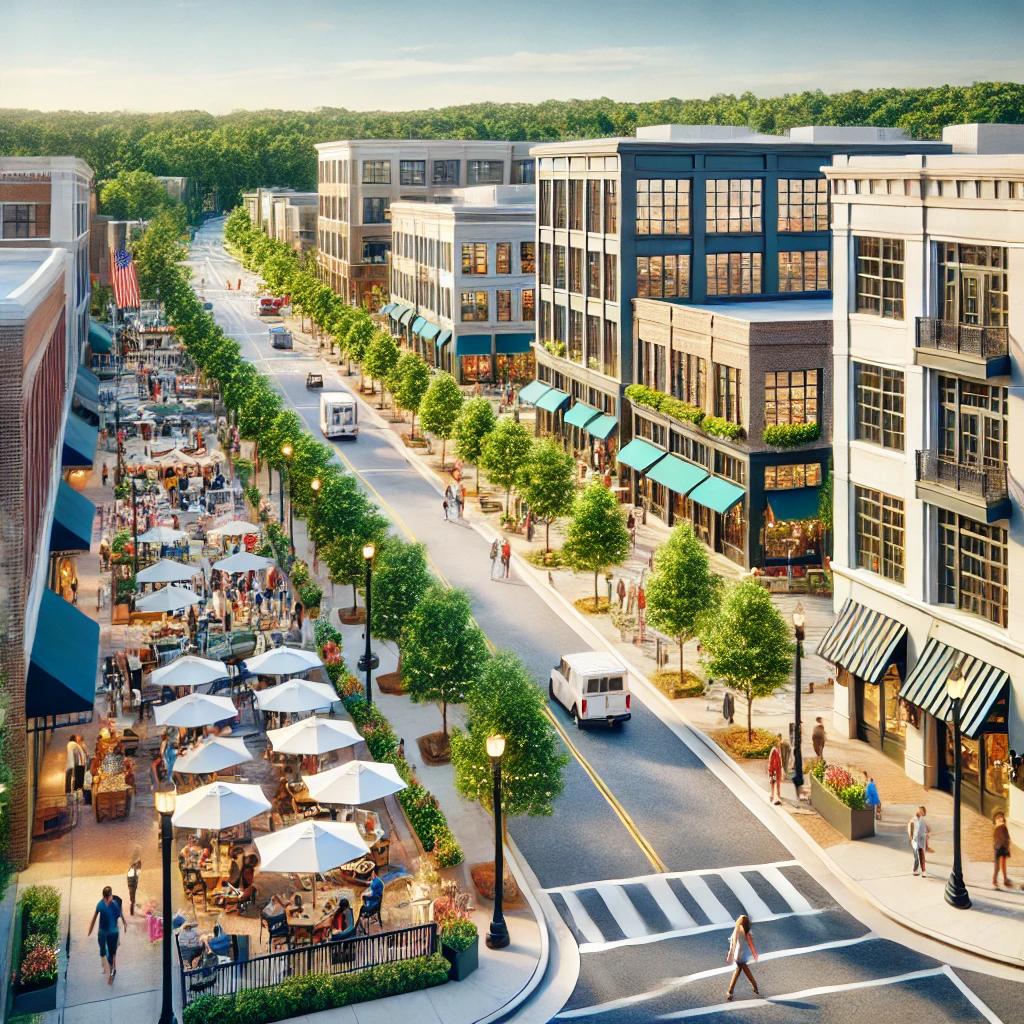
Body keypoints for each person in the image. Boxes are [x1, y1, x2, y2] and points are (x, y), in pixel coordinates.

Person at [87, 886, 127, 985]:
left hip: (112, 931)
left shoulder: (115, 904)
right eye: (106, 897)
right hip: (103, 931)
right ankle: (108, 967)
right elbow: (94, 917)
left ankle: (111, 971)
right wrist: (91, 928)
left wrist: (124, 922)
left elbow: (119, 916)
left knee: (112, 952)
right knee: (103, 951)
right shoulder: (100, 905)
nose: (107, 899)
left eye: (108, 897)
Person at [725, 914, 759, 1001]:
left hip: (738, 954)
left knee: (738, 971)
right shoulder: (747, 931)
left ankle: (730, 992)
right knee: (743, 970)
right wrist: (754, 953)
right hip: (743, 955)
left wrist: (730, 954)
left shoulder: (737, 929)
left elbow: (733, 942)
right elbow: (751, 943)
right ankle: (755, 987)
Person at [993, 811, 1012, 888]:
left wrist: (1007, 847)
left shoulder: (1002, 828)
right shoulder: (999, 828)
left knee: (1002, 865)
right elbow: (1005, 839)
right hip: (999, 847)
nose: (1002, 820)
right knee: (998, 866)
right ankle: (995, 880)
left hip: (1001, 847)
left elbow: (1007, 839)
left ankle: (1004, 879)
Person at [910, 806, 930, 876]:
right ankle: (915, 870)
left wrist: (926, 833)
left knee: (922, 856)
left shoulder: (923, 821)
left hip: (922, 840)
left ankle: (923, 871)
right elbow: (911, 828)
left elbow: (928, 829)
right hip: (915, 840)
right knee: (916, 856)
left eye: (922, 811)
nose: (920, 812)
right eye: (919, 811)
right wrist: (911, 838)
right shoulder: (914, 819)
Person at [126, 848, 142, 915]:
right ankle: (131, 912)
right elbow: (131, 879)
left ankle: (132, 909)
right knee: (132, 899)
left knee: (132, 898)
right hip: (132, 885)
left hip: (132, 884)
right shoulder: (134, 870)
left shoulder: (133, 868)